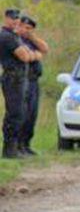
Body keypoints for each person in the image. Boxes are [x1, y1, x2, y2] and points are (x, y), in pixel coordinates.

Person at [1, 9, 42, 159]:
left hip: (20, 78)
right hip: (13, 77)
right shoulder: (6, 36)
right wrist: (34, 55)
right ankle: (9, 149)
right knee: (14, 114)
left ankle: (17, 148)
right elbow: (25, 56)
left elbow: (38, 51)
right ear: (6, 18)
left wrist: (32, 54)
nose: (15, 21)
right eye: (12, 18)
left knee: (22, 113)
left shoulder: (14, 36)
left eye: (17, 18)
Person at [17, 15, 48, 156]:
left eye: (31, 29)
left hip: (34, 81)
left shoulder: (30, 40)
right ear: (19, 25)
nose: (28, 31)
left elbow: (44, 49)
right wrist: (36, 55)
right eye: (26, 28)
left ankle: (26, 144)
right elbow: (28, 56)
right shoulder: (15, 39)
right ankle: (17, 145)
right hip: (22, 80)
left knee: (31, 114)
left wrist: (32, 38)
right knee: (22, 113)